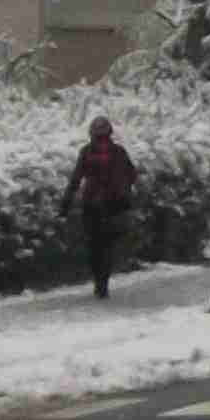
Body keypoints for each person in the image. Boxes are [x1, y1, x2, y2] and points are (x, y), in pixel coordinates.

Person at [71, 113, 141, 301]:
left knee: (93, 245)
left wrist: (65, 204)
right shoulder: (119, 152)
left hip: (91, 205)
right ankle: (104, 284)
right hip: (114, 205)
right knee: (108, 245)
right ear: (110, 133)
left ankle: (97, 281)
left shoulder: (86, 151)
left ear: (91, 133)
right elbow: (133, 174)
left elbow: (76, 179)